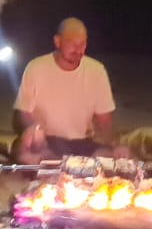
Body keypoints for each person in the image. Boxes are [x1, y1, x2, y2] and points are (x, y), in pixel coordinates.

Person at [10, 17, 125, 162]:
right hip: (47, 141)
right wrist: (32, 128)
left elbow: (105, 121)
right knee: (25, 153)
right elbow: (22, 112)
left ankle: (67, 166)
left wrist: (117, 145)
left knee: (116, 159)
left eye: (82, 44)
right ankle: (64, 165)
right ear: (57, 42)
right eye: (72, 43)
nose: (78, 49)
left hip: (81, 142)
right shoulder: (36, 67)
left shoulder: (96, 70)